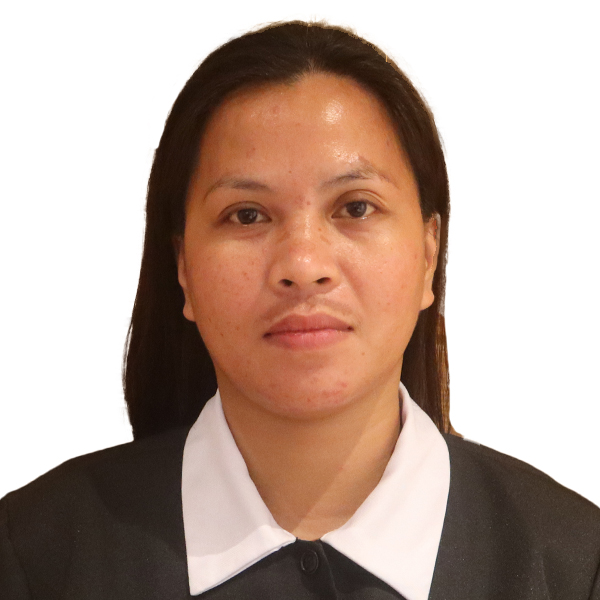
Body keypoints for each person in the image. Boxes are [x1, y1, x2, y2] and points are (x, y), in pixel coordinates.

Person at [1, 20, 599, 600]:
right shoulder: (32, 557)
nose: (304, 263)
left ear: (427, 253)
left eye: (356, 207)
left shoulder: (574, 565)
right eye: (247, 215)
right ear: (182, 266)